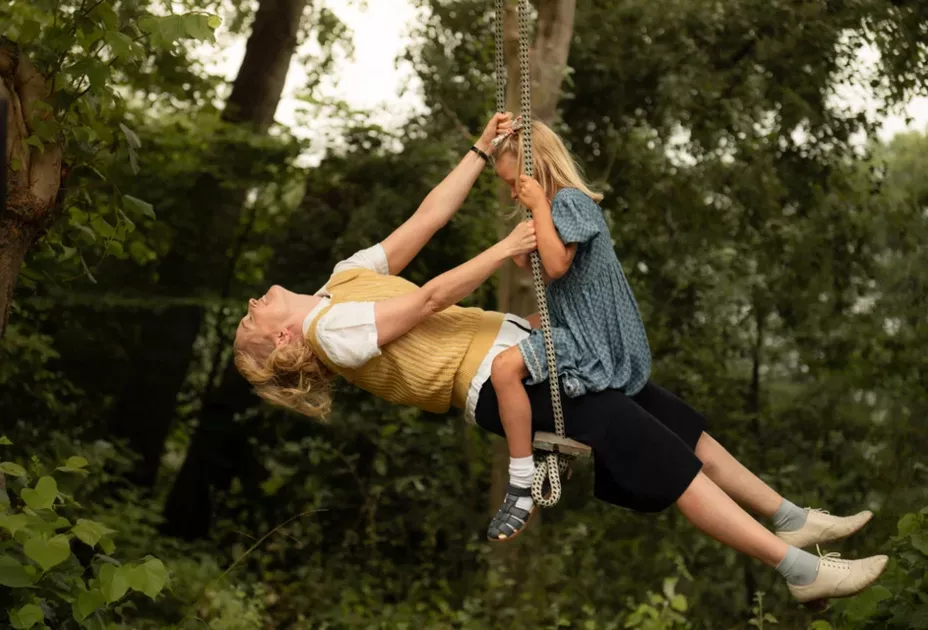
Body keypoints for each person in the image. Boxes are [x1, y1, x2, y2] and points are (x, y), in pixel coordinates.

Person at [233, 112, 887, 609]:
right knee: (654, 450)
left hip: (535, 352)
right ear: (285, 343)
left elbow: (428, 218)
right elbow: (430, 298)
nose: (254, 303)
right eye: (251, 320)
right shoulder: (334, 334)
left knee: (672, 418)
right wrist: (504, 246)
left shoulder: (340, 284)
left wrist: (477, 151)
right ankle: (797, 569)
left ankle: (789, 517)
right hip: (495, 382)